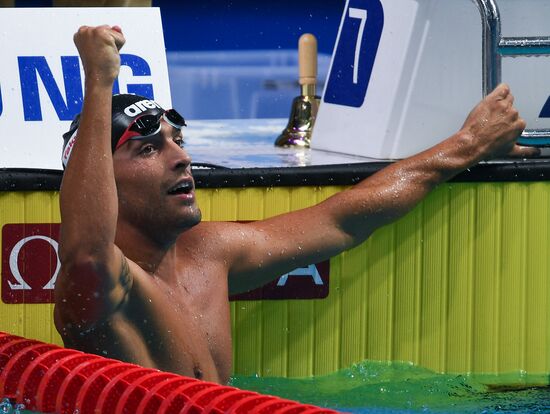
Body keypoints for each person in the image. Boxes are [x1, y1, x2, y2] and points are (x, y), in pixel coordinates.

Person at [53, 25, 539, 385]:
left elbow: (346, 218)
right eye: (149, 149)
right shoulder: (103, 292)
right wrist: (99, 82)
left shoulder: (209, 255)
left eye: (177, 141)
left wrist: (469, 143)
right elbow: (87, 253)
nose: (182, 158)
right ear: (101, 181)